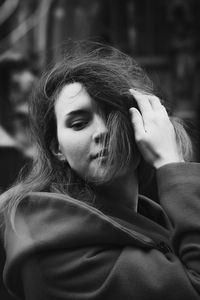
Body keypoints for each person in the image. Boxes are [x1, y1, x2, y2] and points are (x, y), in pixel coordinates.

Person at [0, 42, 200, 300]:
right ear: (56, 148)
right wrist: (170, 163)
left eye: (113, 114)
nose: (102, 132)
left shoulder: (157, 215)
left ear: (146, 124)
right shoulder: (51, 249)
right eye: (79, 123)